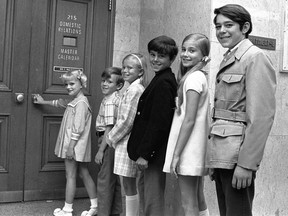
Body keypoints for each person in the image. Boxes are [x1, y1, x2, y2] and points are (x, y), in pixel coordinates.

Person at [208, 4, 276, 216]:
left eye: (229, 25)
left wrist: (247, 164)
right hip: (223, 154)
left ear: (245, 27)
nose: (221, 31)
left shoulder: (255, 58)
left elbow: (261, 117)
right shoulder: (231, 57)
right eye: (218, 26)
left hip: (238, 157)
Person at [33, 70, 98, 216]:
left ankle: (67, 210)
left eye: (72, 83)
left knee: (70, 175)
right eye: (66, 84)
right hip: (77, 146)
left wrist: (70, 147)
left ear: (81, 84)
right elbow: (62, 104)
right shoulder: (77, 101)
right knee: (83, 173)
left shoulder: (80, 103)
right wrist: (44, 102)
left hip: (73, 146)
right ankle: (95, 205)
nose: (68, 87)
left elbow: (78, 127)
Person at [127, 35, 178, 216]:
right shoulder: (161, 78)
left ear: (171, 59)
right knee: (147, 198)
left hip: (153, 155)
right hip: (151, 153)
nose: (155, 59)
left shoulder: (164, 82)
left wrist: (146, 154)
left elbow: (159, 123)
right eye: (152, 54)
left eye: (161, 56)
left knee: (152, 201)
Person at [163, 33, 210, 216]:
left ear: (203, 54)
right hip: (193, 148)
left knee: (188, 203)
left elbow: (189, 119)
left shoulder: (193, 79)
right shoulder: (196, 76)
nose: (185, 54)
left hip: (188, 149)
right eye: (183, 49)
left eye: (192, 50)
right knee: (197, 198)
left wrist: (176, 154)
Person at [105, 53, 146, 216]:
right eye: (124, 67)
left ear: (140, 71)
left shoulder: (135, 89)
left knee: (129, 186)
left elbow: (127, 120)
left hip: (127, 141)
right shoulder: (131, 88)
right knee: (127, 185)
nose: (125, 70)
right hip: (124, 141)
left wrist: (111, 136)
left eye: (130, 67)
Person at [94, 67, 124, 216]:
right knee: (114, 180)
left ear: (118, 85)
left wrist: (100, 151)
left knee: (104, 180)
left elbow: (109, 128)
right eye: (103, 80)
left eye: (109, 81)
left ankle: (103, 213)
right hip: (112, 142)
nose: (104, 84)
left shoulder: (110, 101)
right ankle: (115, 212)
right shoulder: (115, 97)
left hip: (106, 142)